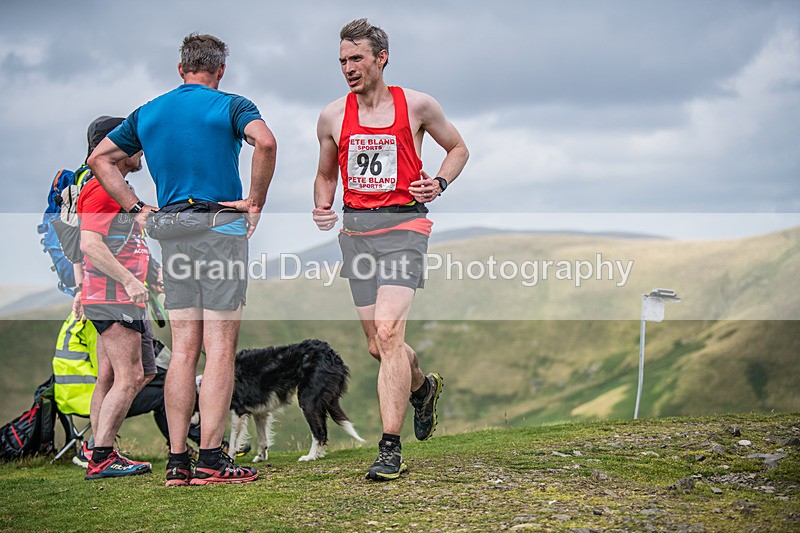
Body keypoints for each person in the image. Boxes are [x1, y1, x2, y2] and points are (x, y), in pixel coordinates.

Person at [88, 33, 277, 486]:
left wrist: (136, 207)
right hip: (219, 227)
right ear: (220, 71)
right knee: (220, 350)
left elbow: (100, 158)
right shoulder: (232, 105)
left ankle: (177, 463)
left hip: (171, 231)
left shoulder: (149, 111)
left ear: (181, 69)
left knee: (184, 351)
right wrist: (254, 201)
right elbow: (265, 144)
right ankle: (211, 461)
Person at [312, 18, 469, 481]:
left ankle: (389, 448)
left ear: (382, 58)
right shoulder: (332, 115)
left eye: (356, 58)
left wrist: (439, 181)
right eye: (342, 60)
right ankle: (422, 388)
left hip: (405, 226)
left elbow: (458, 148)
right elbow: (325, 173)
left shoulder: (417, 105)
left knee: (387, 331)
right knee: (379, 346)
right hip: (356, 232)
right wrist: (322, 203)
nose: (348, 68)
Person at [76, 116, 159, 480]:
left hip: (115, 294)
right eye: (132, 140)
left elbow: (128, 240)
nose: (140, 148)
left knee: (115, 375)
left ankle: (99, 447)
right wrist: (128, 280)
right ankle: (102, 455)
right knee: (132, 375)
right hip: (114, 296)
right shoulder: (102, 188)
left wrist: (149, 277)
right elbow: (89, 243)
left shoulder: (115, 187)